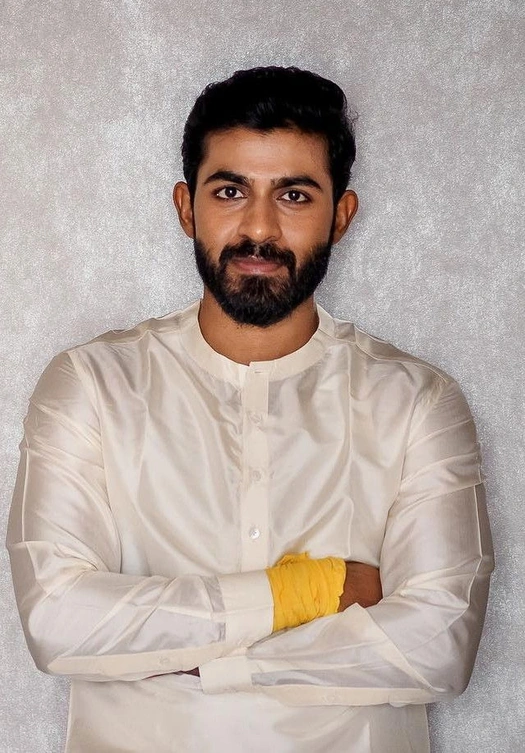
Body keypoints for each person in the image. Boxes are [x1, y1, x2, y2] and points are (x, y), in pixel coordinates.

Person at [6, 66, 494, 753]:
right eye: (230, 191)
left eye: (293, 195)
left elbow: (438, 646)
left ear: (341, 215)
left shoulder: (417, 401)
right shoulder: (90, 384)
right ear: (186, 208)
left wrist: (200, 659)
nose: (259, 227)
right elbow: (58, 621)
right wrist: (311, 592)